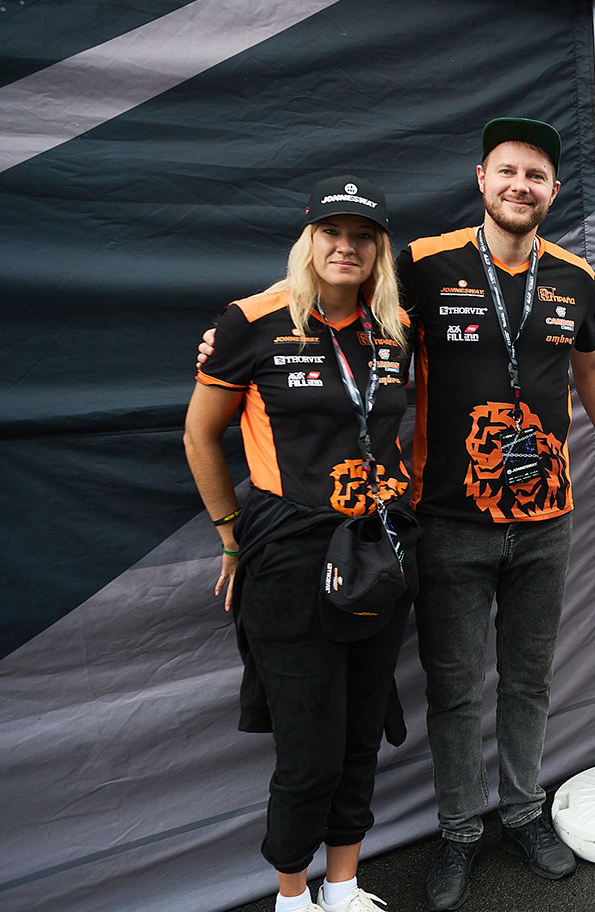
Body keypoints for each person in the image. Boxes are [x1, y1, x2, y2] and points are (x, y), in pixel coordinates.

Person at [198, 119, 595, 909]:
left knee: (530, 680)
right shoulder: (423, 264)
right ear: (482, 179)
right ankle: (460, 830)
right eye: (506, 171)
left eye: (535, 176)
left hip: (546, 519)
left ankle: (524, 813)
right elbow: (339, 308)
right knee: (455, 687)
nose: (520, 186)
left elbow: (593, 366)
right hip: (444, 519)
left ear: (553, 191)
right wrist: (230, 342)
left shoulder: (576, 275)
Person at [185, 176, 412, 912]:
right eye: (331, 233)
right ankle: (291, 895)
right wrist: (230, 538)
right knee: (309, 747)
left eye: (362, 237)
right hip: (290, 553)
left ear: (379, 250)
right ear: (308, 241)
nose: (346, 248)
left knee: (362, 731)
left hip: (377, 550)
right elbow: (199, 435)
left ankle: (343, 887)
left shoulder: (396, 329)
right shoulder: (251, 320)